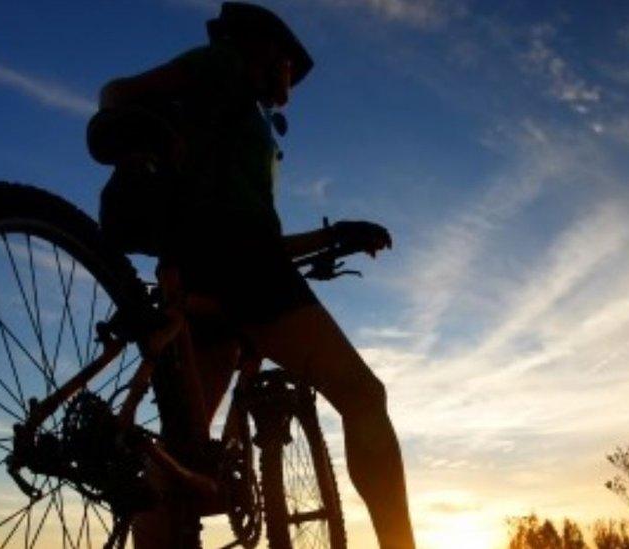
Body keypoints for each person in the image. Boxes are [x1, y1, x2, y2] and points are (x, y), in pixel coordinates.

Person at [93, 3, 416, 548]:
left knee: (181, 457)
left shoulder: (235, 116)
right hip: (245, 272)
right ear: (267, 50)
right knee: (364, 398)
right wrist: (136, 125)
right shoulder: (222, 67)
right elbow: (116, 92)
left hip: (203, 273)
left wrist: (332, 234)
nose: (290, 84)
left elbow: (259, 237)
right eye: (289, 68)